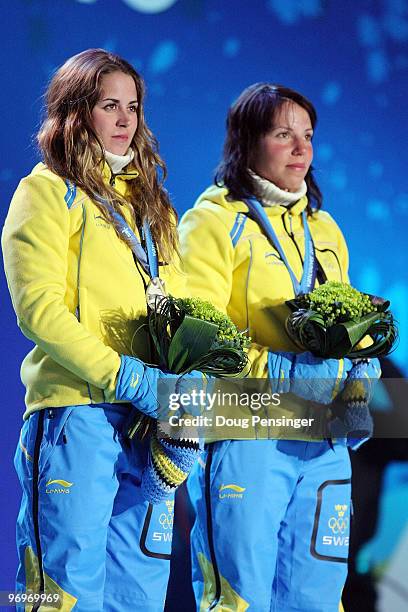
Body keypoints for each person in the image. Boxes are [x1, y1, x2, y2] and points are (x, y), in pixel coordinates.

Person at [2, 48, 203, 612]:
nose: (124, 120)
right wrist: (128, 377)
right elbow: (38, 310)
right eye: (108, 105)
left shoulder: (150, 207)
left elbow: (186, 312)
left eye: (133, 106)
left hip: (147, 425)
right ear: (74, 112)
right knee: (61, 597)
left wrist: (182, 400)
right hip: (77, 414)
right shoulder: (46, 191)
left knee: (136, 595)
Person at [178, 83, 381, 611]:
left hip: (323, 436)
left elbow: (346, 315)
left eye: (308, 136)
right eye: (283, 134)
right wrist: (283, 371)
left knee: (317, 600)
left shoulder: (326, 228)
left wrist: (359, 372)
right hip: (249, 428)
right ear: (248, 142)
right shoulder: (214, 221)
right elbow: (196, 333)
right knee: (239, 598)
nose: (301, 149)